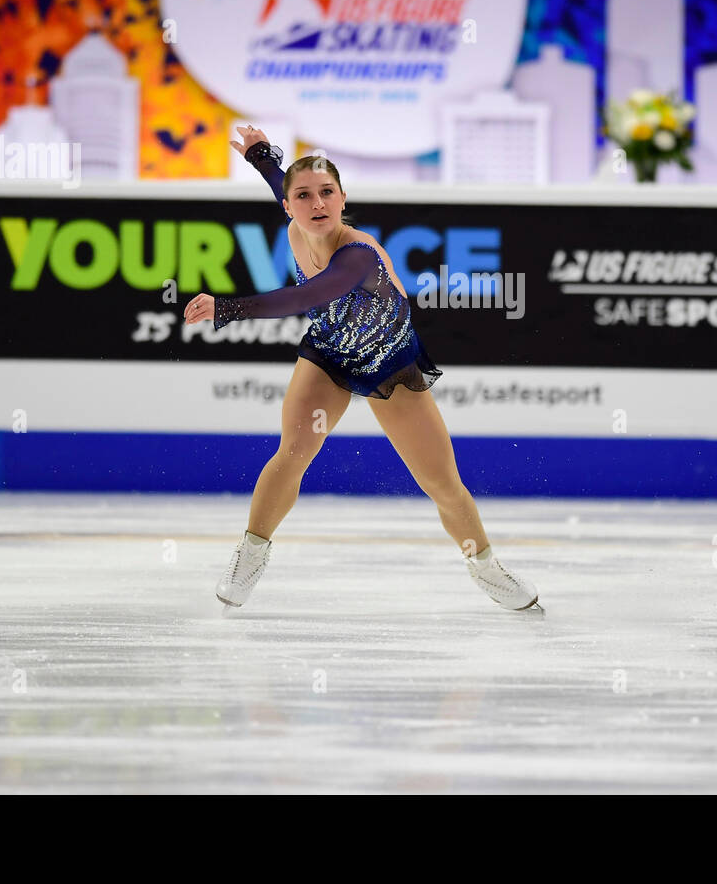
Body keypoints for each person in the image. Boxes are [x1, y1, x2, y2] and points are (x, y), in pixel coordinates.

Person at [185, 126, 542, 612]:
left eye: (327, 193)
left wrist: (228, 308)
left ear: (343, 197)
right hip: (329, 354)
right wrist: (261, 157)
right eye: (304, 196)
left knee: (441, 484)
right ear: (288, 205)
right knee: (292, 452)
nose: (317, 204)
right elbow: (281, 182)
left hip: (389, 366)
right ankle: (250, 554)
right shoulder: (296, 222)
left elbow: (305, 296)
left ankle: (485, 568)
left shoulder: (357, 256)